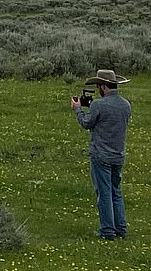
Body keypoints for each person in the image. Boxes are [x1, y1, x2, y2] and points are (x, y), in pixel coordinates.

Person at [71, 69, 132, 240]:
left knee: (104, 193)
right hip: (118, 155)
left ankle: (107, 231)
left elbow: (86, 123)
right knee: (116, 192)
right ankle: (121, 228)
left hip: (101, 155)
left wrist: (78, 109)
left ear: (103, 87)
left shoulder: (98, 105)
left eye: (98, 86)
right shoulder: (126, 105)